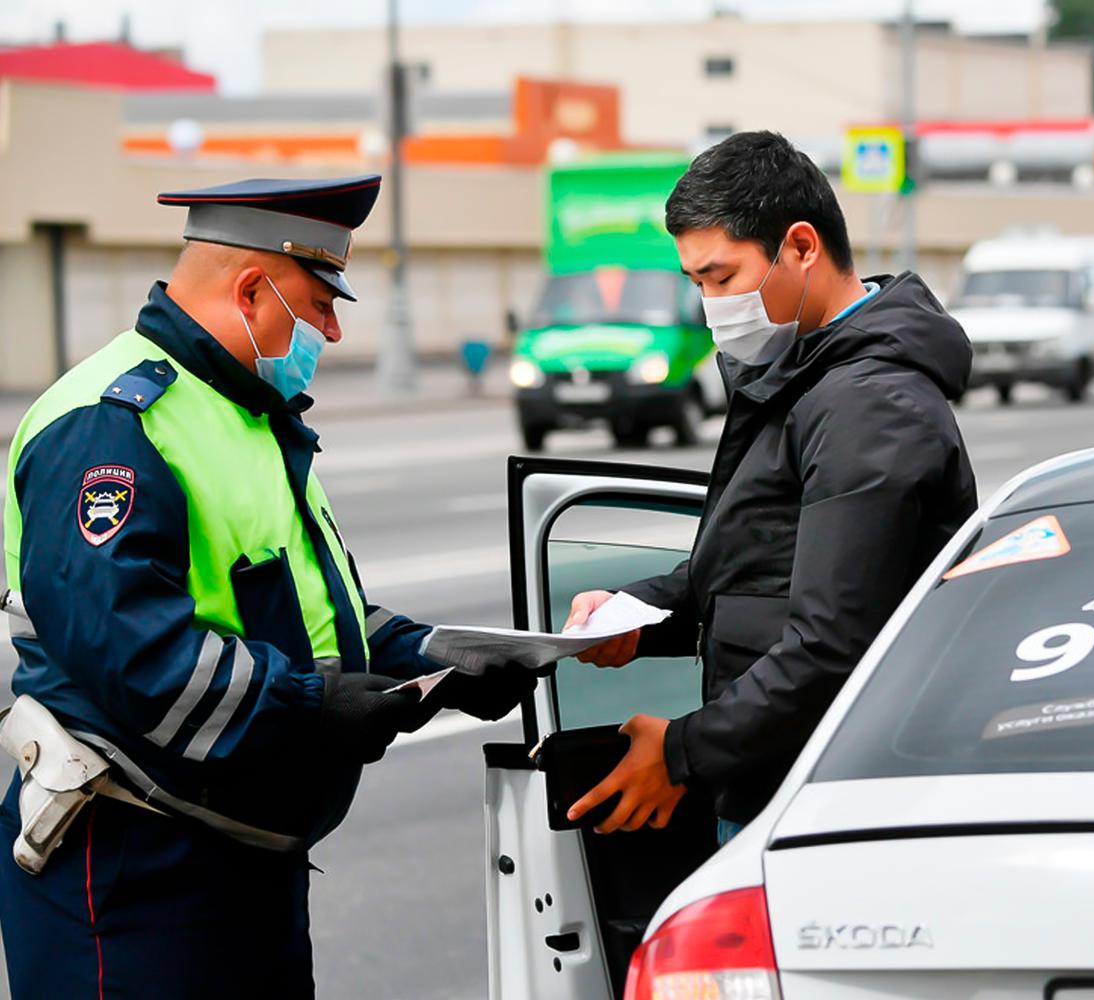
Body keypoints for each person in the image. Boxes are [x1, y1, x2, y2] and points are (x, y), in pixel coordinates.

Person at [0, 175, 532, 998]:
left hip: (238, 870)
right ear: (251, 289)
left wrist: (431, 653)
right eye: (320, 304)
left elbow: (302, 613)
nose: (332, 327)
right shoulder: (114, 422)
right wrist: (315, 708)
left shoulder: (246, 413)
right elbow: (133, 651)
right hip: (134, 873)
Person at [565, 131, 977, 843]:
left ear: (802, 248)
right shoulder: (804, 374)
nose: (710, 306)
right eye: (696, 284)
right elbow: (755, 568)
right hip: (780, 780)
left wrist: (680, 751)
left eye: (721, 278)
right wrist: (638, 610)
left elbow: (831, 643)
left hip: (827, 802)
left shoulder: (868, 405)